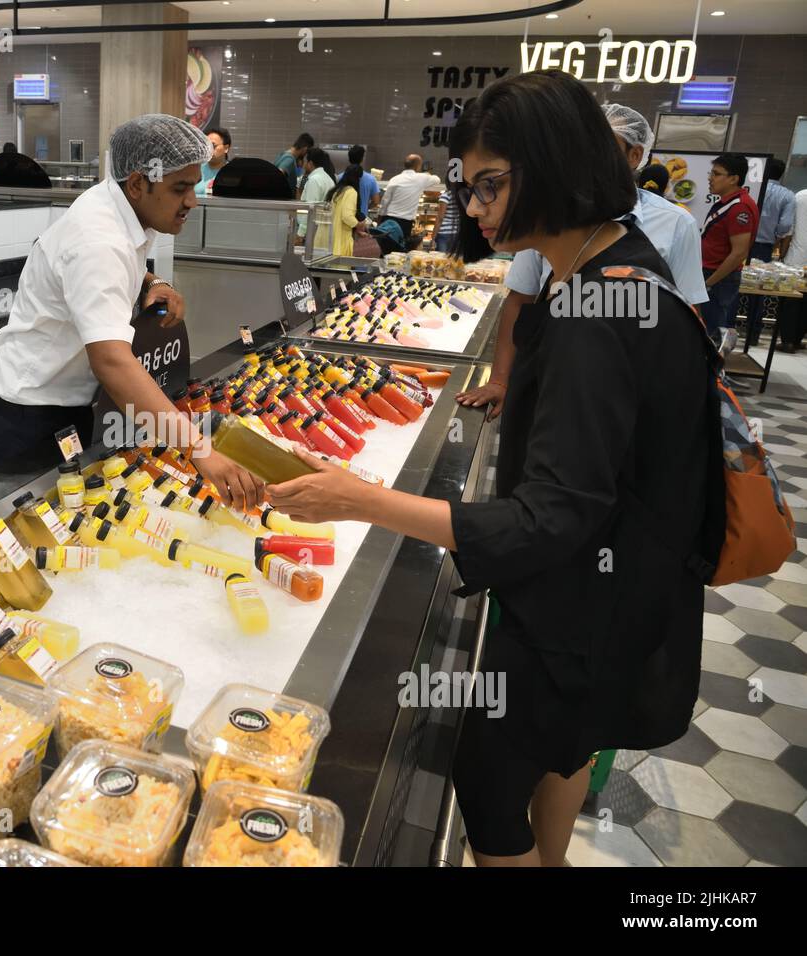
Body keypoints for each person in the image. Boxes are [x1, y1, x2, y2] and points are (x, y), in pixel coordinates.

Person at [268, 69, 713, 868]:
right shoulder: (626, 265)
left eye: (491, 187)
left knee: (486, 779)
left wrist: (361, 498)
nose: (474, 210)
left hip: (578, 615)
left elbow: (552, 518)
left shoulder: (589, 319)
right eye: (469, 189)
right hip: (629, 595)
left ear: (555, 165)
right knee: (566, 752)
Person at [0, 114, 263, 509]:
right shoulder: (97, 240)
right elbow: (112, 362)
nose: (191, 201)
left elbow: (121, 266)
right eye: (180, 189)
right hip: (24, 420)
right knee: (28, 541)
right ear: (138, 184)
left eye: (193, 186)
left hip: (66, 408)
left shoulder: (120, 208)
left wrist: (152, 282)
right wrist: (200, 451)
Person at [458, 102, 708, 420]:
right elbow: (519, 299)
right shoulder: (551, 219)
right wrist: (501, 380)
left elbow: (688, 313)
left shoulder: (674, 223)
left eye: (602, 147)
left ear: (634, 156)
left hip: (628, 392)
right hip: (550, 376)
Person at [699, 152, 759, 340]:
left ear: (734, 179)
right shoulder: (727, 202)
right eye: (711, 173)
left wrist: (709, 283)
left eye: (716, 174)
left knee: (713, 330)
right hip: (710, 273)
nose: (710, 178)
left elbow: (739, 253)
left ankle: (712, 368)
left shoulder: (739, 207)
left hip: (717, 278)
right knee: (703, 327)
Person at [746, 158, 796, 345]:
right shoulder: (787, 195)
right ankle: (753, 335)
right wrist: (776, 235)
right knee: (759, 290)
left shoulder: (752, 189)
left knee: (735, 285)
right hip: (764, 247)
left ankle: (727, 329)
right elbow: (785, 225)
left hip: (741, 243)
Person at [378, 154, 442, 242]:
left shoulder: (395, 179)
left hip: (388, 219)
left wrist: (379, 220)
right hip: (404, 222)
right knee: (400, 250)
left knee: (386, 246)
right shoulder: (421, 178)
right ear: (418, 166)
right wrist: (425, 173)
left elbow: (384, 202)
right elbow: (437, 179)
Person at [778, 186, 807, 353]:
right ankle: (796, 339)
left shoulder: (801, 196)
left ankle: (787, 341)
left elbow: (789, 227)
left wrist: (782, 251)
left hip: (796, 257)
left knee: (791, 302)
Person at [296, 147, 335, 243]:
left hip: (311, 232)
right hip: (322, 229)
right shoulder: (328, 179)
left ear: (310, 163)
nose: (304, 165)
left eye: (305, 162)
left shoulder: (314, 180)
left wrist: (300, 234)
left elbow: (310, 208)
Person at [326, 164, 365, 258]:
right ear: (358, 179)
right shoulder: (351, 192)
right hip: (340, 241)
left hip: (329, 239)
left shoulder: (337, 190)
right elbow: (346, 216)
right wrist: (359, 225)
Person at [348, 144, 381, 220]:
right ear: (362, 159)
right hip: (361, 219)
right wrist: (366, 207)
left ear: (349, 159)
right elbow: (376, 201)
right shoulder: (371, 179)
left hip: (344, 218)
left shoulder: (340, 177)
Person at [195, 127, 231, 197]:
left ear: (226, 148)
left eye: (213, 146)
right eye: (206, 146)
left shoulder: (232, 173)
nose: (209, 149)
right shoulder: (196, 169)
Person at [433, 185, 459, 253]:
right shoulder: (460, 196)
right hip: (456, 233)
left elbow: (440, 218)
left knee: (441, 259)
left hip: (444, 234)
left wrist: (433, 238)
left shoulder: (446, 195)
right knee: (452, 260)